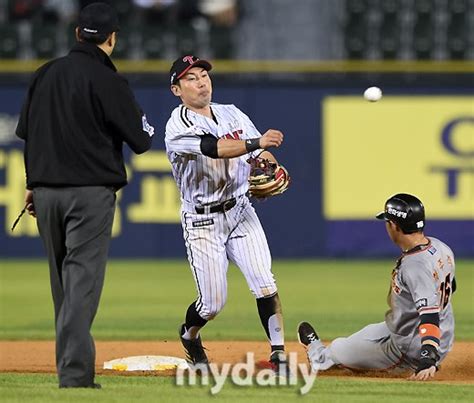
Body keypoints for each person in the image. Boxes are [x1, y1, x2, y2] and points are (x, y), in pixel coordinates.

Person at [15, 2, 154, 388]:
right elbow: (141, 140)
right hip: (89, 195)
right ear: (112, 38)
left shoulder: (45, 74)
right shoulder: (108, 79)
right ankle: (75, 377)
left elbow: (29, 134)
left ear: (77, 34)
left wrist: (32, 183)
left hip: (44, 195)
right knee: (80, 284)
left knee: (64, 286)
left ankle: (71, 368)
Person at [165, 55, 288, 372]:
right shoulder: (177, 125)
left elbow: (261, 154)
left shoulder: (232, 112)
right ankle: (189, 334)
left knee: (265, 283)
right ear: (176, 89)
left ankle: (278, 354)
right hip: (203, 221)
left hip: (241, 209)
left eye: (204, 74)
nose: (201, 80)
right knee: (212, 304)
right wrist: (257, 142)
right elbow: (213, 148)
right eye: (191, 77)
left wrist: (270, 166)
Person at [298, 193, 456, 381]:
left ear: (394, 226)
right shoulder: (441, 247)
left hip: (412, 349)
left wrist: (428, 355)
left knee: (339, 349)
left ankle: (319, 358)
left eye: (387, 222)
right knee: (369, 332)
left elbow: (429, 314)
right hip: (429, 331)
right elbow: (450, 286)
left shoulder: (415, 266)